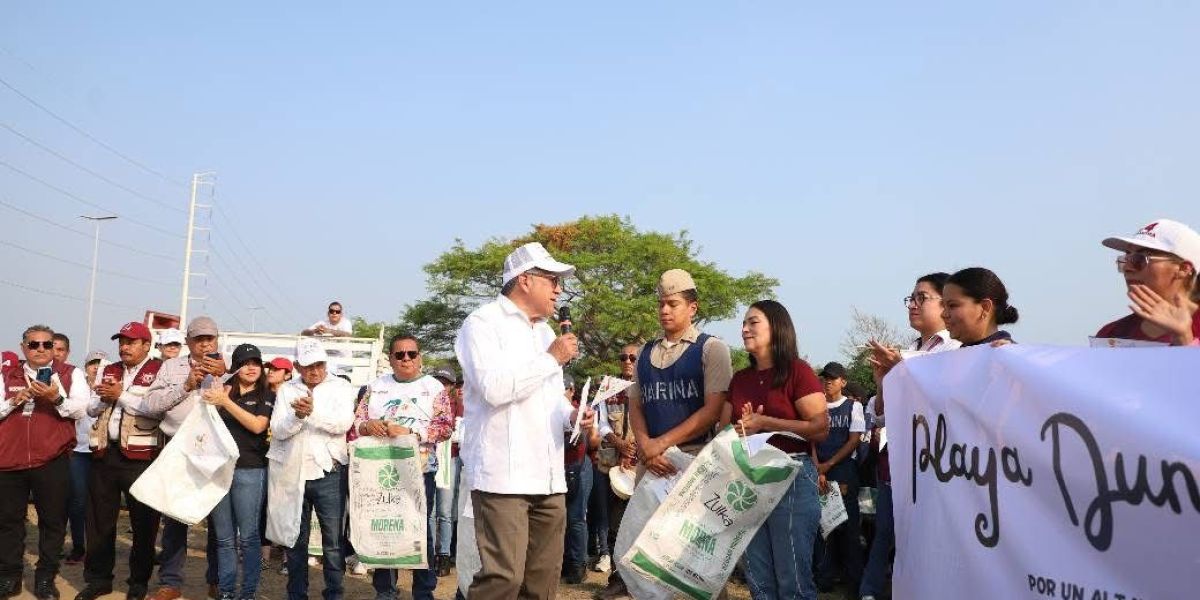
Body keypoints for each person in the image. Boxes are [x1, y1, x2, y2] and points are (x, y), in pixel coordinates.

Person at [454, 241, 588, 599]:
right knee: (503, 579)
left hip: (548, 477)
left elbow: (552, 400)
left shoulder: (545, 333)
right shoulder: (482, 324)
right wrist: (552, 358)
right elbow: (494, 389)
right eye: (552, 280)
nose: (559, 290)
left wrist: (574, 415)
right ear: (525, 280)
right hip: (503, 477)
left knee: (541, 584)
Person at [717, 301, 829, 600]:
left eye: (753, 322)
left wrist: (766, 422)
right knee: (759, 580)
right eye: (743, 323)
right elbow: (722, 430)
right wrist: (738, 431)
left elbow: (820, 427)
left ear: (776, 328)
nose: (744, 329)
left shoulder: (797, 371)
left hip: (790, 476)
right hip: (748, 481)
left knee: (793, 580)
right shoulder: (740, 379)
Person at [861, 272, 962, 600]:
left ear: (945, 302)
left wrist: (902, 367)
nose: (914, 305)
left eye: (922, 298)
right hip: (901, 467)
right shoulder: (908, 352)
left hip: (941, 470)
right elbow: (881, 415)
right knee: (893, 538)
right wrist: (882, 380)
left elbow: (942, 396)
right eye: (911, 299)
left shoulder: (956, 347)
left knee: (934, 545)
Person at [349, 335, 455, 600]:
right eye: (400, 355)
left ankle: (423, 591)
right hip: (380, 468)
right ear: (391, 358)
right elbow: (357, 422)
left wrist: (411, 431)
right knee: (384, 527)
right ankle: (385, 590)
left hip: (419, 467)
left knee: (420, 529)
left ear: (419, 356)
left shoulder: (433, 388)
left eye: (411, 353)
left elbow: (445, 426)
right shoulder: (376, 386)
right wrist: (366, 426)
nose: (406, 359)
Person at [76, 322, 166, 600]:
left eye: (131, 342)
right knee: (99, 522)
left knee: (144, 523)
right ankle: (99, 579)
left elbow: (156, 409)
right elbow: (90, 409)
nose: (124, 347)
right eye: (121, 341)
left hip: (142, 456)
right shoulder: (109, 368)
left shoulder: (159, 370)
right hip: (105, 453)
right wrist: (104, 398)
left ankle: (138, 582)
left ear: (146, 345)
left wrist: (121, 396)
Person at [0, 325, 89, 599]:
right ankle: (9, 577)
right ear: (23, 346)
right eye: (34, 344)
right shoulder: (6, 373)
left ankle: (45, 579)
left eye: (46, 345)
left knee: (52, 521)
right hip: (8, 460)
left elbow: (81, 409)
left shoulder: (70, 373)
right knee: (8, 522)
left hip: (51, 459)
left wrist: (56, 398)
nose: (40, 349)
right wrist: (14, 400)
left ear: (54, 347)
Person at [142, 317, 228, 600]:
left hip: (215, 453)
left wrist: (226, 375)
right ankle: (170, 582)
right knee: (175, 519)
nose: (205, 344)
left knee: (219, 522)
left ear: (217, 340)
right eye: (199, 339)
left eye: (209, 338)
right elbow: (150, 405)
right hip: (178, 448)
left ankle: (217, 579)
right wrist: (185, 386)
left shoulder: (229, 368)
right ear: (188, 342)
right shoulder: (171, 366)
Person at [270, 337, 356, 600]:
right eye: (308, 366)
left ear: (325, 363)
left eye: (319, 364)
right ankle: (297, 594)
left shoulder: (340, 387)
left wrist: (311, 413)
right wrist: (297, 416)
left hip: (330, 472)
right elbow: (278, 430)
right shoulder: (287, 390)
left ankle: (334, 594)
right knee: (296, 540)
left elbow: (343, 423)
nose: (315, 370)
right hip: (293, 474)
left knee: (332, 543)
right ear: (297, 366)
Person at [202, 344, 275, 600]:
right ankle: (226, 592)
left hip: (250, 471)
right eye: (246, 362)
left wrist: (225, 403)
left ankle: (247, 593)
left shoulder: (267, 394)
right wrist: (218, 398)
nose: (252, 367)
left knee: (249, 538)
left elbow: (257, 426)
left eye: (256, 362)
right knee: (223, 539)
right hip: (219, 471)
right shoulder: (222, 390)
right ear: (235, 367)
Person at [1098, 218, 1200, 345]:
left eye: (1140, 259)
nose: (1127, 268)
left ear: (1184, 269)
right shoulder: (1110, 334)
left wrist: (1183, 338)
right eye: (1126, 258)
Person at [814, 361, 866, 596]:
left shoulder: (853, 407)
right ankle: (823, 577)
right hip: (819, 471)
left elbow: (854, 440)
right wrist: (818, 469)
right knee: (821, 526)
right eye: (825, 377)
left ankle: (853, 581)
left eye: (832, 378)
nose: (827, 381)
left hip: (843, 469)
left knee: (847, 526)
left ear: (843, 382)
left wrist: (829, 465)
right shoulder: (816, 407)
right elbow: (811, 439)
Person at [65, 350, 103, 566]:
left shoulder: (108, 388)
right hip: (79, 451)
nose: (96, 367)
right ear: (86, 366)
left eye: (100, 363)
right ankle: (79, 546)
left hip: (102, 452)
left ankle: (98, 548)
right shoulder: (75, 388)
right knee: (77, 501)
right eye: (92, 363)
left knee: (100, 503)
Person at [562, 375, 600, 585]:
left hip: (579, 465)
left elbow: (593, 438)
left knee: (577, 517)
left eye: (566, 389)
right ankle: (564, 562)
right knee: (560, 519)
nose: (564, 393)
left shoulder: (582, 409)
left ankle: (578, 564)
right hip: (556, 468)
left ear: (572, 390)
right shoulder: (547, 410)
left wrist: (587, 429)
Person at [429, 368, 460, 578]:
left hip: (450, 459)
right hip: (429, 457)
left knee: (445, 511)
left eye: (446, 382)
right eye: (438, 381)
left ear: (451, 387)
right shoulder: (427, 402)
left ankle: (444, 554)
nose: (442, 385)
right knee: (430, 511)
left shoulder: (459, 406)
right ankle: (430, 553)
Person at [941, 267, 1019, 347]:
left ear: (985, 307)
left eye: (952, 305)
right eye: (943, 306)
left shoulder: (1009, 354)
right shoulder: (951, 356)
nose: (943, 314)